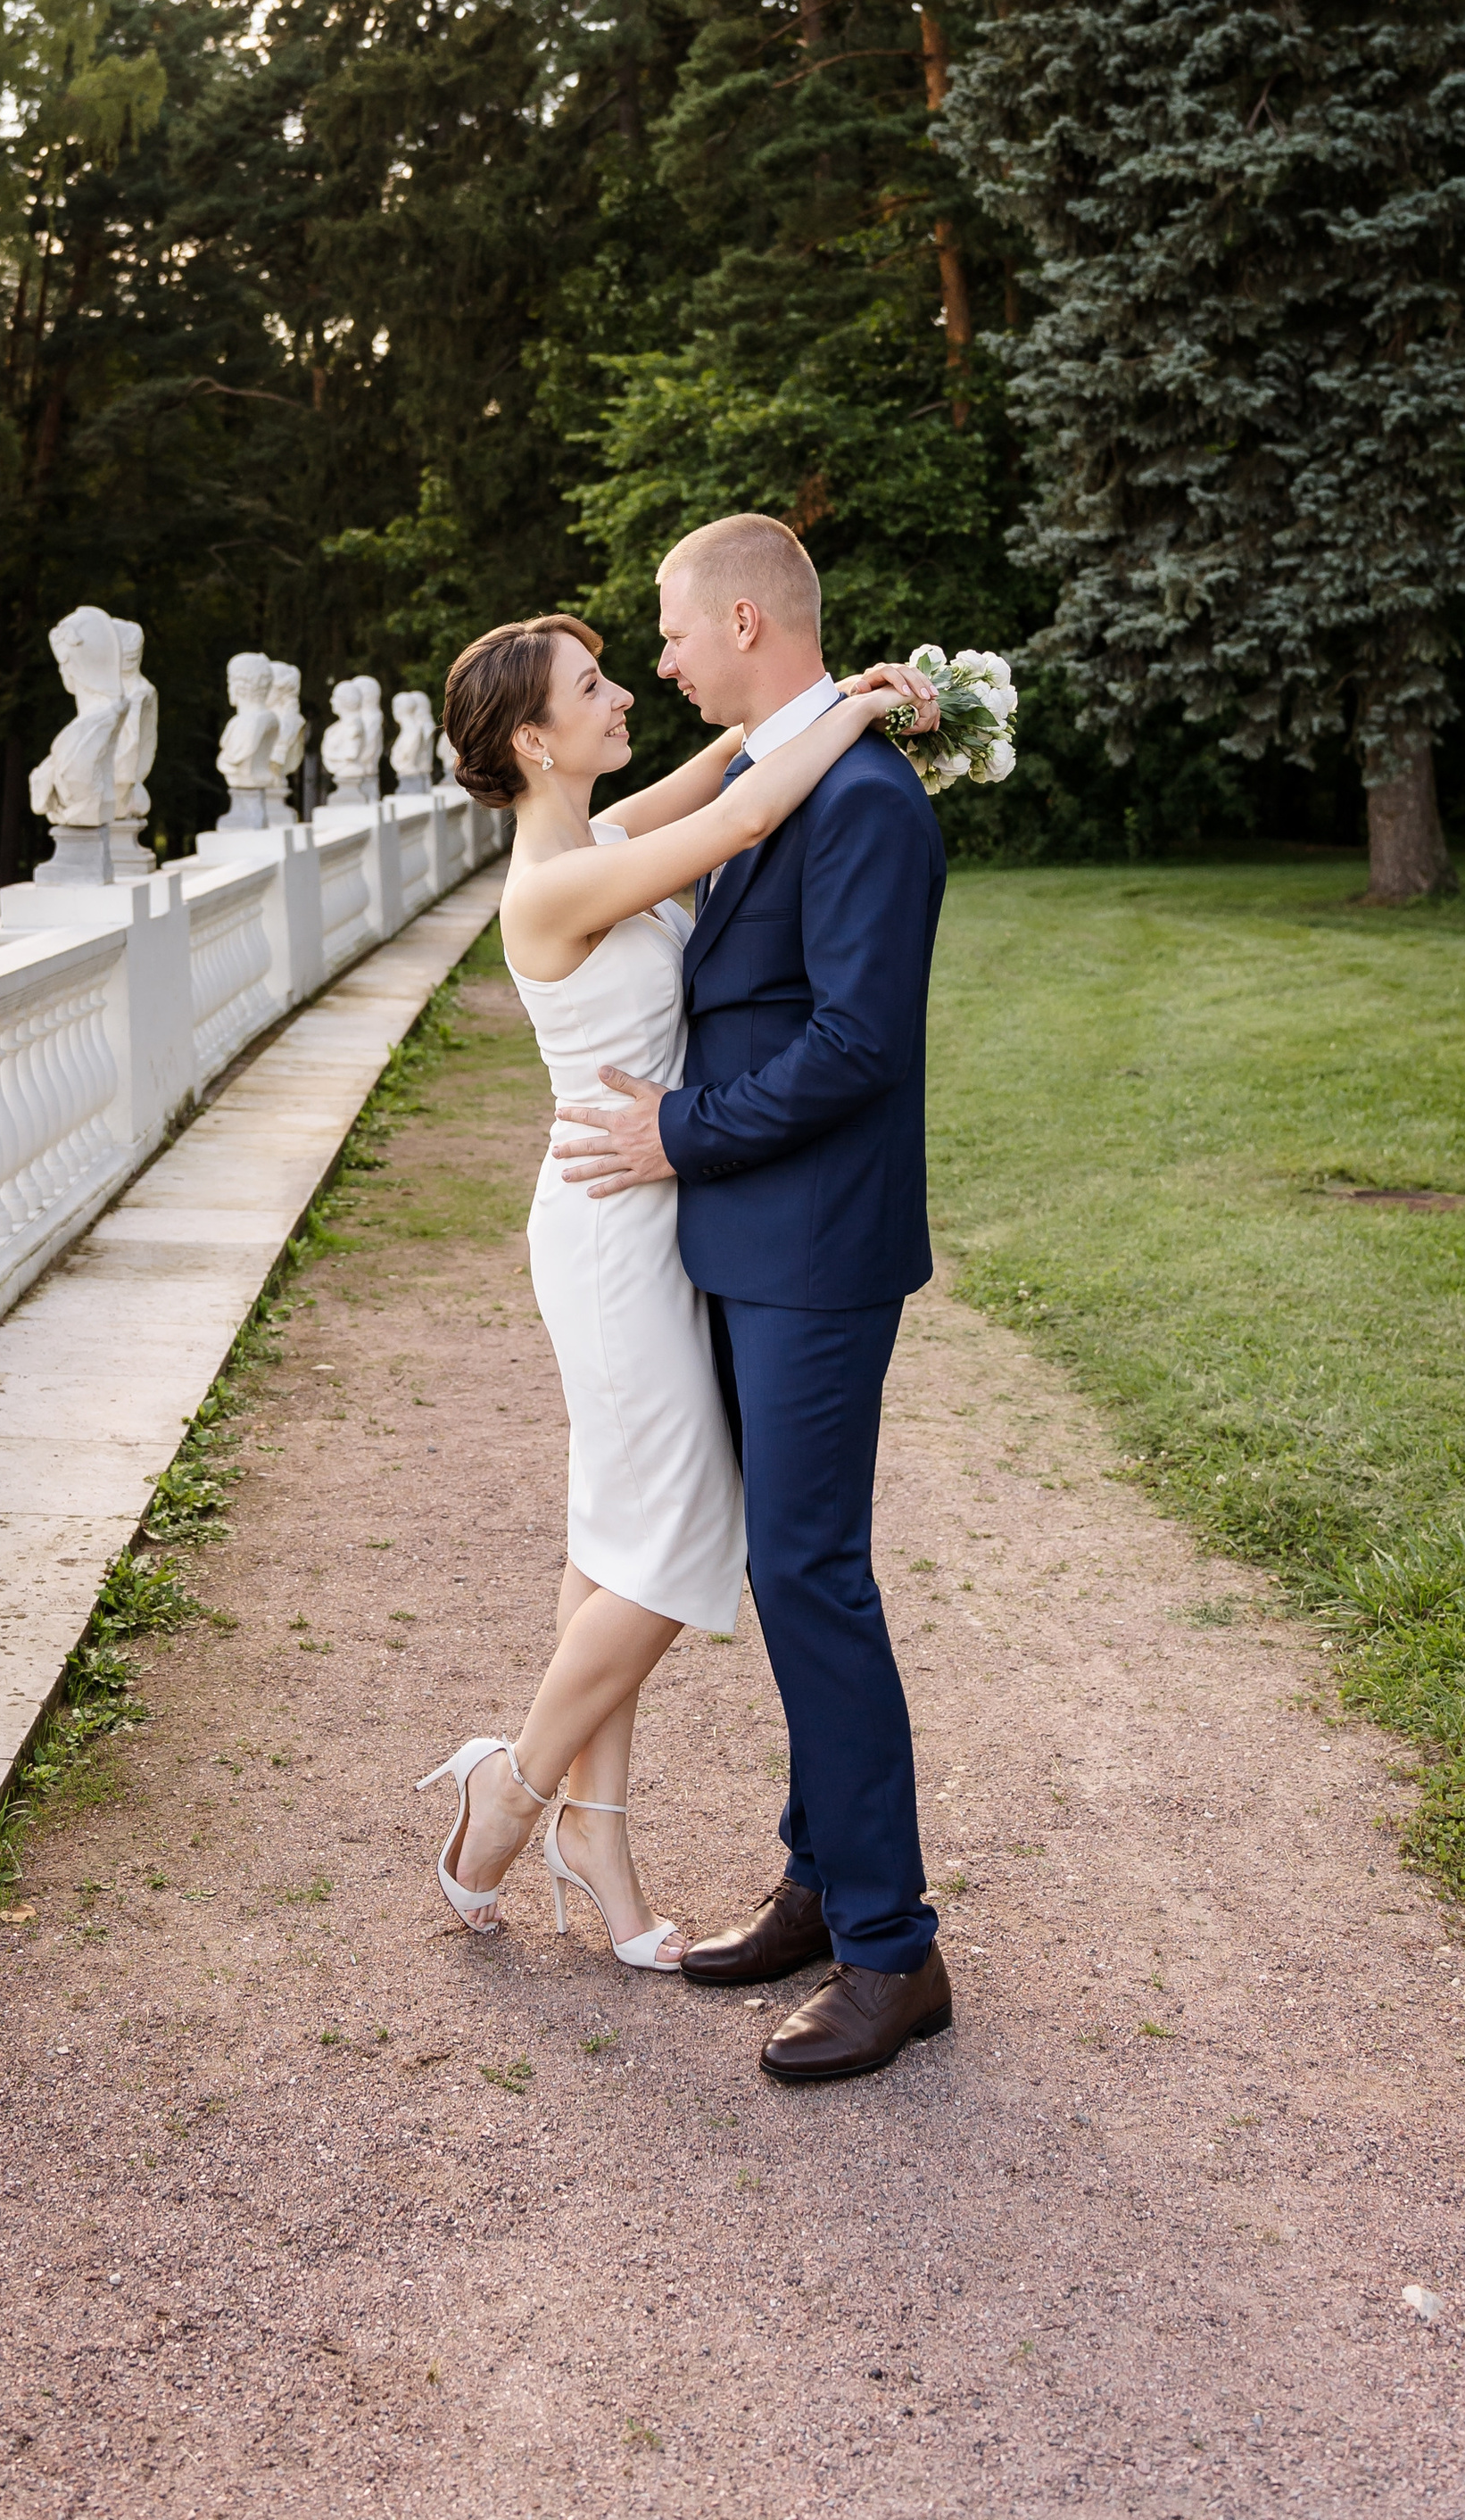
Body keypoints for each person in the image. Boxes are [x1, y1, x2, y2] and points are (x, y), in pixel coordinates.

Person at [418, 605, 935, 1986]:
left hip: (657, 1206)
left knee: (612, 1535)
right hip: (610, 1228)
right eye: (594, 685)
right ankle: (510, 1792)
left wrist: (802, 699)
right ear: (535, 740)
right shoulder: (550, 880)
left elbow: (721, 766)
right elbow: (757, 804)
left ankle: (601, 1839)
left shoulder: (590, 835)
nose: (625, 691)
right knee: (679, 1538)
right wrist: (870, 704)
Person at [548, 513, 953, 2085]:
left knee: (811, 1573)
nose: (657, 659)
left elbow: (857, 1047)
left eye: (667, 630)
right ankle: (819, 1879)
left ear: (740, 620)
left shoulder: (861, 802)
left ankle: (893, 1950)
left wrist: (674, 1133)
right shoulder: (774, 775)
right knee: (785, 1572)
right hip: (741, 1240)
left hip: (815, 1252)